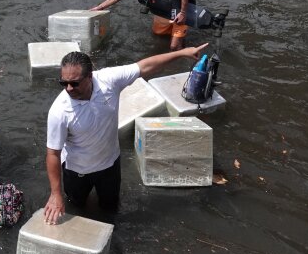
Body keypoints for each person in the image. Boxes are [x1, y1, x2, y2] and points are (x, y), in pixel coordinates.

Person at [44, 43, 208, 225]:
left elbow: (145, 66)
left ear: (90, 76)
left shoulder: (109, 80)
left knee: (110, 210)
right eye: (63, 83)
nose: (68, 89)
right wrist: (55, 194)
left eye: (74, 83)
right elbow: (53, 153)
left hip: (109, 166)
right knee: (77, 209)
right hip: (77, 171)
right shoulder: (59, 111)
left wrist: (182, 53)